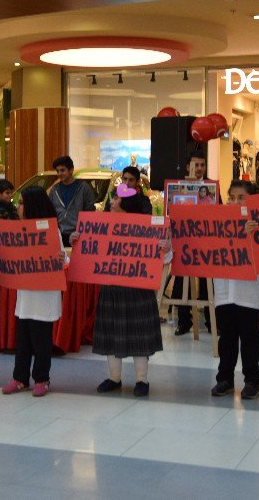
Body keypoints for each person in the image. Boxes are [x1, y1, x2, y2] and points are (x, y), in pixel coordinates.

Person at [86, 166, 163, 397]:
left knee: (138, 331)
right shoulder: (104, 225)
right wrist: (79, 238)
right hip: (113, 284)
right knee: (113, 331)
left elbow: (158, 244)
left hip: (137, 285)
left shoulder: (144, 222)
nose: (111, 204)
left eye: (116, 201)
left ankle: (142, 380)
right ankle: (114, 378)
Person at [1, 186, 66, 397]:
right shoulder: (18, 230)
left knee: (41, 342)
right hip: (25, 296)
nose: (18, 207)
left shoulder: (51, 230)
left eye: (21, 204)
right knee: (23, 341)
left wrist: (59, 258)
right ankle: (20, 378)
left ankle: (41, 378)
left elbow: (63, 257)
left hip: (44, 295)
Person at [210, 180, 259, 401]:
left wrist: (254, 233)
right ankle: (225, 378)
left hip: (248, 291)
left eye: (241, 198)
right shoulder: (218, 221)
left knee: (249, 337)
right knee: (227, 337)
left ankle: (252, 380)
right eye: (232, 197)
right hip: (223, 290)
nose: (235, 202)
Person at [174, 151, 213, 335]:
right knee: (181, 283)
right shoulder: (178, 187)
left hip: (206, 244)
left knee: (208, 283)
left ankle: (211, 321)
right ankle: (183, 321)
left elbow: (219, 213)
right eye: (195, 165)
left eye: (202, 165)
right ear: (188, 166)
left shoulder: (212, 187)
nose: (199, 169)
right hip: (183, 243)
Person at [49, 155, 96, 247]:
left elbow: (90, 212)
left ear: (71, 170)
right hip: (59, 235)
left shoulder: (83, 188)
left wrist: (83, 232)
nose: (59, 174)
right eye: (57, 171)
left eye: (62, 170)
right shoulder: (54, 190)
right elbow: (50, 212)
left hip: (77, 235)